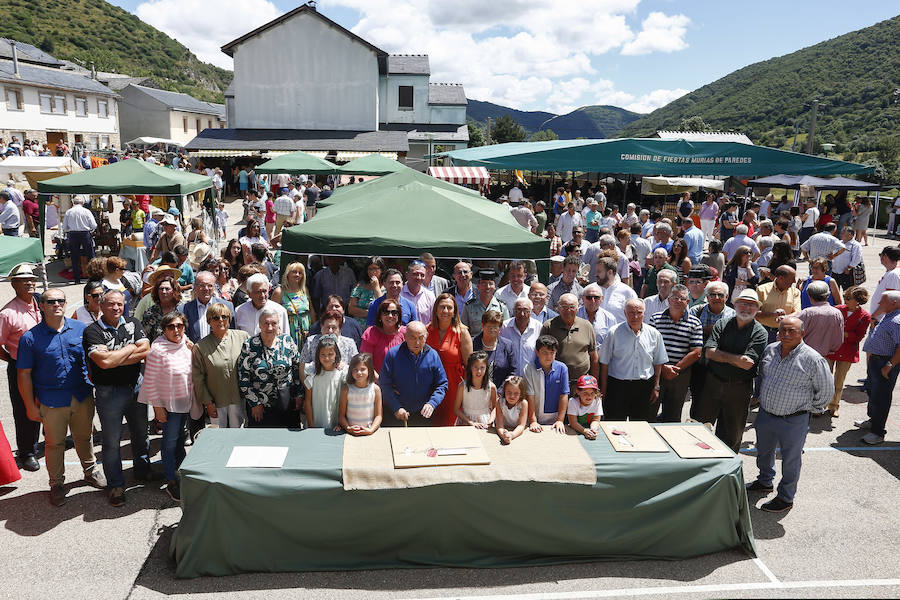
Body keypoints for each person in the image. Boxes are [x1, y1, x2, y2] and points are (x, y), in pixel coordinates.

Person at [17, 289, 105, 506]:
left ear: (66, 304)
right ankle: (56, 484)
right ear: (42, 306)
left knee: (84, 437)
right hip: (51, 400)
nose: (57, 304)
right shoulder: (30, 338)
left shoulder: (81, 330)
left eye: (61, 301)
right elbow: (24, 374)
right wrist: (29, 406)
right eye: (51, 301)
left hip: (82, 395)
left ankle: (90, 471)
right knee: (54, 443)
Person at [747, 316, 833, 513]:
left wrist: (806, 410)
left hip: (794, 419)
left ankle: (785, 497)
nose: (786, 334)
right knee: (764, 451)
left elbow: (826, 391)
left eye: (791, 331)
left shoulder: (813, 359)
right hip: (766, 415)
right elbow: (762, 376)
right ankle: (764, 481)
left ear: (802, 333)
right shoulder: (771, 349)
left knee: (791, 460)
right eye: (782, 330)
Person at [83, 290, 155, 506]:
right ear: (101, 306)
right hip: (109, 392)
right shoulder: (92, 331)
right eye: (111, 304)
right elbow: (103, 363)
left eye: (120, 304)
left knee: (141, 433)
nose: (116, 308)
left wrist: (116, 356)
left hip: (136, 387)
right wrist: (132, 348)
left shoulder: (133, 322)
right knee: (112, 441)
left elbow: (146, 350)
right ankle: (115, 485)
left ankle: (142, 471)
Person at [692, 289, 768, 452]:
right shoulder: (722, 323)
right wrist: (737, 359)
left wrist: (721, 355)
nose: (746, 308)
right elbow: (709, 352)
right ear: (734, 305)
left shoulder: (760, 332)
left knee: (732, 435)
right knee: (700, 431)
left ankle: (727, 470)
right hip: (713, 383)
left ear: (757, 309)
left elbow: (748, 364)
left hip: (739, 389)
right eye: (743, 303)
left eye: (751, 305)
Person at [0, 264, 42, 471]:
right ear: (14, 284)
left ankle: (44, 441)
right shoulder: (7, 313)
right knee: (25, 409)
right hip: (21, 367)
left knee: (46, 403)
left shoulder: (42, 302)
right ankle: (27, 452)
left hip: (45, 365)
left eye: (32, 279)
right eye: (23, 280)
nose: (29, 283)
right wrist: (12, 360)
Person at [598, 298, 667, 421]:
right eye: (631, 312)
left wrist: (656, 387)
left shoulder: (654, 334)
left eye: (639, 312)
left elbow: (658, 362)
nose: (635, 316)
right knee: (615, 425)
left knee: (641, 427)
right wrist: (604, 388)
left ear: (644, 313)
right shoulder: (614, 333)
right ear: (625, 313)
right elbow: (604, 363)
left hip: (644, 387)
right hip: (618, 386)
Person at [238, 308, 303, 429]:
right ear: (259, 324)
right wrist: (254, 403)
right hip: (261, 407)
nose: (270, 327)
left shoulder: (287, 341)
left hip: (287, 403)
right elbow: (243, 378)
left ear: (278, 324)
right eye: (266, 323)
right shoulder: (249, 345)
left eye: (274, 323)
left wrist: (299, 395)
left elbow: (297, 369)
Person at [649, 285, 703, 422]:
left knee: (673, 416)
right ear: (669, 300)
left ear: (688, 302)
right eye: (675, 297)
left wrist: (675, 368)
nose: (678, 301)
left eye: (683, 298)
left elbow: (696, 352)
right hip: (656, 372)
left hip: (680, 374)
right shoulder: (655, 319)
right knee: (649, 411)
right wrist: (664, 368)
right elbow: (649, 348)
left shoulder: (695, 323)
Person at [379, 321, 448, 426]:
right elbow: (384, 384)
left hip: (423, 413)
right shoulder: (393, 355)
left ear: (426, 336)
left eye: (421, 338)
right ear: (405, 336)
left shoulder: (433, 355)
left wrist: (432, 403)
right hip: (396, 412)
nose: (417, 342)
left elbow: (442, 384)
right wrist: (396, 407)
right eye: (412, 338)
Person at [192, 303, 249, 429]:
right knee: (218, 435)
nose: (221, 320)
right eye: (216, 318)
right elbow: (198, 378)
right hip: (216, 400)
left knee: (237, 434)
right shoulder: (200, 347)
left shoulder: (243, 337)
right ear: (209, 321)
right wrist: (208, 403)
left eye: (224, 316)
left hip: (238, 397)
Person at [857, 291, 900, 445]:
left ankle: (877, 432)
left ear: (894, 303)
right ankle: (872, 420)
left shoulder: (897, 321)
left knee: (881, 397)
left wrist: (889, 365)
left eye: (882, 302)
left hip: (885, 363)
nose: (879, 304)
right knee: (872, 391)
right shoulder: (889, 315)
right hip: (876, 361)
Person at [427, 294, 472, 427]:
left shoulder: (462, 333)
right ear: (436, 310)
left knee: (449, 424)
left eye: (449, 308)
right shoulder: (427, 330)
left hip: (454, 386)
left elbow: (469, 366)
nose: (445, 311)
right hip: (431, 384)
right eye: (442, 307)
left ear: (454, 312)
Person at [825, 286, 870, 417]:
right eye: (845, 297)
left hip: (847, 351)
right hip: (831, 349)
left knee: (839, 381)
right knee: (825, 378)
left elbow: (859, 336)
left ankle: (834, 406)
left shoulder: (864, 316)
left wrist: (844, 334)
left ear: (857, 301)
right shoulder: (837, 310)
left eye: (848, 298)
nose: (845, 300)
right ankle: (821, 405)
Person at [303, 337, 348, 430]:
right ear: (318, 355)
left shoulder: (342, 374)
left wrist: (341, 423)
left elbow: (345, 402)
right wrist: (311, 426)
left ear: (336, 354)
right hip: (315, 423)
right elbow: (307, 402)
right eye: (323, 354)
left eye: (330, 354)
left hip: (336, 425)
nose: (326, 358)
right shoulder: (312, 374)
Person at [271, 262, 314, 348]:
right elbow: (271, 314)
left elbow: (311, 311)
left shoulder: (304, 290)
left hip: (306, 333)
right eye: (294, 272)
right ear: (287, 274)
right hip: (288, 331)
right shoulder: (279, 292)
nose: (297, 275)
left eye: (300, 272)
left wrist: (313, 330)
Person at [797, 280, 844, 359]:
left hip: (804, 356)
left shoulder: (806, 313)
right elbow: (838, 339)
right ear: (828, 295)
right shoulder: (836, 313)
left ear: (809, 295)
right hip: (825, 356)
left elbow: (794, 334)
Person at [339, 353, 382, 435]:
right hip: (351, 434)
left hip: (370, 432)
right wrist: (348, 428)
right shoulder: (346, 390)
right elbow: (341, 416)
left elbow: (378, 416)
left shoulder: (376, 389)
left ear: (369, 370)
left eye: (363, 369)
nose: (359, 372)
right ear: (351, 371)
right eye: (355, 369)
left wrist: (371, 430)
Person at [183, 271, 233, 344]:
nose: (206, 289)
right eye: (202, 285)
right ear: (195, 287)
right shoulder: (184, 309)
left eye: (210, 285)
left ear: (214, 287)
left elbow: (231, 331)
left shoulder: (227, 306)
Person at [472, 310, 516, 391]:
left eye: (495, 326)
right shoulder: (472, 344)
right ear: (482, 325)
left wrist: (500, 391)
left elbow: (513, 371)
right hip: (475, 392)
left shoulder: (508, 346)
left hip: (500, 396)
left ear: (500, 327)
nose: (492, 330)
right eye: (489, 326)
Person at [756, 266, 801, 342]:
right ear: (781, 278)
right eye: (792, 278)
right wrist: (772, 314)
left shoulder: (795, 292)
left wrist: (784, 318)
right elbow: (755, 313)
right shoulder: (762, 290)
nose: (794, 281)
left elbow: (798, 313)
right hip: (764, 332)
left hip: (787, 334)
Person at [454, 351, 497, 427]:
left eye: (482, 367)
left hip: (485, 422)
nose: (479, 371)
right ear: (470, 367)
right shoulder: (462, 386)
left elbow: (495, 407)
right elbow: (456, 409)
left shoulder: (491, 387)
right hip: (466, 421)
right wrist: (470, 422)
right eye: (475, 367)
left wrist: (490, 421)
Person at [501, 297, 542, 374]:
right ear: (513, 311)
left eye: (526, 310)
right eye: (518, 310)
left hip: (531, 377)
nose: (522, 314)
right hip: (509, 378)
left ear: (531, 312)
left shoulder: (539, 327)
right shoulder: (504, 327)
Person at [62, 196, 98, 284]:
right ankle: (93, 277)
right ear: (82, 203)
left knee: (74, 257)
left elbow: (64, 226)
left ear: (73, 203)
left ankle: (77, 278)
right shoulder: (86, 211)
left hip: (73, 234)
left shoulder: (69, 212)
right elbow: (94, 225)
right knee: (90, 256)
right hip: (85, 233)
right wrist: (90, 230)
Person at [141, 269, 184, 342]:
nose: (164, 292)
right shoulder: (150, 313)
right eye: (161, 289)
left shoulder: (182, 309)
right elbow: (145, 338)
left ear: (174, 291)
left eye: (167, 289)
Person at [349, 257, 385, 327]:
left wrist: (376, 287)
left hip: (377, 327)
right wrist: (370, 313)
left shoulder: (386, 287)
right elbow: (351, 309)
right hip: (359, 327)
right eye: (370, 269)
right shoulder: (360, 286)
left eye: (375, 268)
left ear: (381, 270)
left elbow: (383, 307)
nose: (372, 272)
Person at [869, 247, 900, 324]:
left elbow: (889, 301)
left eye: (880, 255)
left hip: (881, 320)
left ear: (885, 256)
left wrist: (874, 316)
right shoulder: (892, 272)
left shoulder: (893, 275)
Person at [401, 260, 436, 325]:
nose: (419, 278)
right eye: (415, 274)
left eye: (422, 275)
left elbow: (434, 320)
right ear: (407, 275)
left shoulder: (430, 296)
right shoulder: (399, 294)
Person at [496, 376, 529, 445]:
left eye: (516, 393)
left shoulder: (523, 404)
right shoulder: (499, 402)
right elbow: (499, 425)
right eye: (509, 392)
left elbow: (521, 425)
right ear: (504, 391)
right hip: (505, 430)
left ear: (521, 393)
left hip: (517, 432)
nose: (512, 396)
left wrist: (511, 435)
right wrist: (504, 435)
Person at [831, 226, 864, 291]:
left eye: (843, 233)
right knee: (834, 292)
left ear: (850, 235)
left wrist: (849, 268)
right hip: (835, 272)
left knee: (847, 293)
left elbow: (856, 259)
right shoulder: (839, 242)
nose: (841, 234)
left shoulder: (855, 245)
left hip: (846, 273)